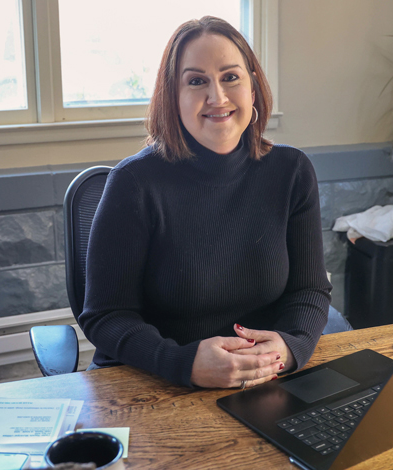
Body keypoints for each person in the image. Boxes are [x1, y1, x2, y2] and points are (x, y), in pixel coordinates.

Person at [79, 16, 332, 389]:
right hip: (159, 384)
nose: (218, 97)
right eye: (196, 81)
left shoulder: (291, 171)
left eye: (231, 77)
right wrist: (183, 362)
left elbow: (309, 289)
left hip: (262, 381)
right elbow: (106, 316)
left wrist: (290, 347)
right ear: (173, 97)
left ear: (253, 87)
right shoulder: (134, 183)